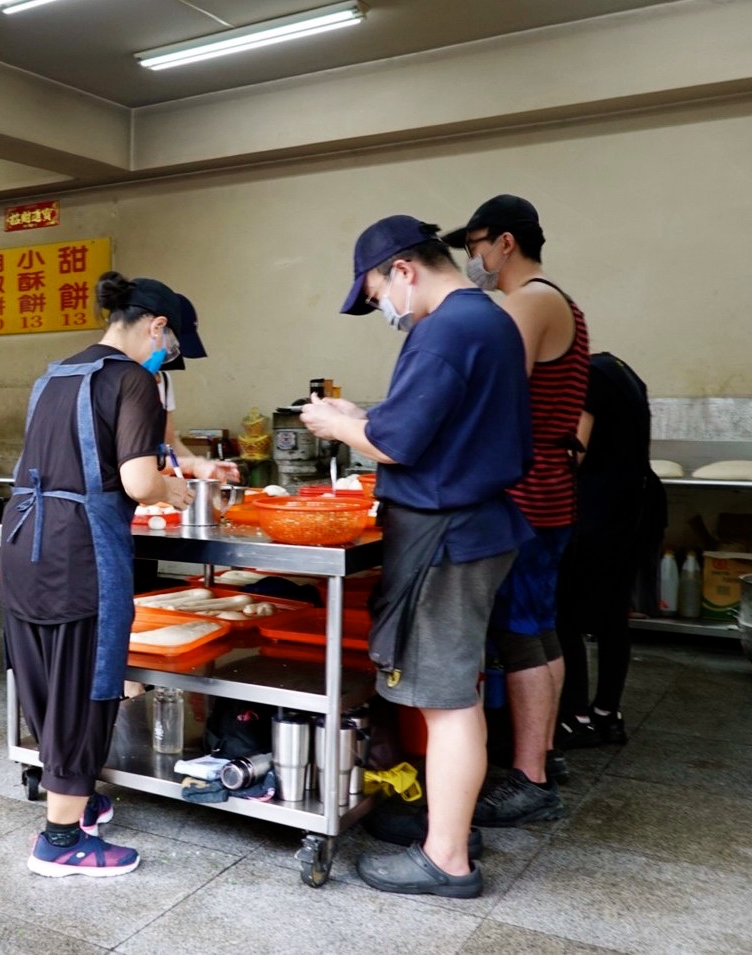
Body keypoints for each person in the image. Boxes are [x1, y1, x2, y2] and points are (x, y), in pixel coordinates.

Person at [301, 215, 532, 899]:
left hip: (448, 537)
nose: (384, 310)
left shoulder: (447, 329)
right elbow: (435, 423)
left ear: (404, 269)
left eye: (376, 295)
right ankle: (448, 823)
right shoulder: (487, 321)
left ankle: (447, 858)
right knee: (454, 687)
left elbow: (399, 444)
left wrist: (340, 423)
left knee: (445, 698)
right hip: (478, 527)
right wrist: (363, 415)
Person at [0, 271, 195, 878]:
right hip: (79, 549)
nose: (170, 359)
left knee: (44, 676)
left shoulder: (53, 375)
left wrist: (174, 458)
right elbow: (138, 482)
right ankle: (60, 840)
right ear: (157, 326)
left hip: (23, 538)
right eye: (174, 347)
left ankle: (74, 798)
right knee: (84, 683)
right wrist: (176, 489)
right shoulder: (135, 379)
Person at [443, 195, 589, 822]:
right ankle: (543, 755)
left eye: (474, 245)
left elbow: (497, 395)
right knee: (540, 627)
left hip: (525, 494)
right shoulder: (562, 301)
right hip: (548, 486)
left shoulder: (529, 301)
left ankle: (529, 780)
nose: (471, 259)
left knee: (521, 632)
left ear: (504, 242)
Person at [556, 353, 666, 747]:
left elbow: (575, 453)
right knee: (613, 616)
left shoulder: (586, 375)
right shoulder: (621, 370)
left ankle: (576, 718)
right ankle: (608, 714)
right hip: (638, 506)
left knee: (564, 613)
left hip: (598, 510)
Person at [154, 294, 240, 484]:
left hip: (160, 491)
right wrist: (192, 466)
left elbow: (170, 443)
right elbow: (127, 463)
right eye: (172, 345)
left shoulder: (164, 381)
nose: (171, 352)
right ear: (156, 329)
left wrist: (205, 467)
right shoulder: (116, 382)